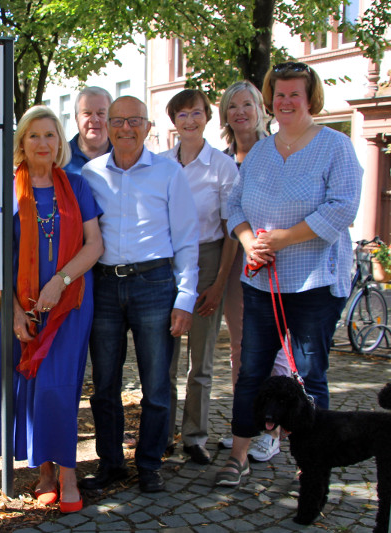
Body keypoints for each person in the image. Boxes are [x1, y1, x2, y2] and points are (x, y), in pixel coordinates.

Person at [216, 62, 362, 487]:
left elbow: (342, 208)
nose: (285, 102)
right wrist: (249, 243)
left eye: (294, 94)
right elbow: (235, 207)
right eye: (279, 95)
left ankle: (313, 461)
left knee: (310, 373)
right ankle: (238, 457)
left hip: (315, 282)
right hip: (260, 283)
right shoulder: (260, 151)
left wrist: (281, 239)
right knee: (251, 372)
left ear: (310, 98)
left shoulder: (335, 146)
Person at [80, 96, 199, 493]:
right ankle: (111, 463)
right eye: (118, 121)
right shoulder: (91, 174)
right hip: (105, 286)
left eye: (134, 121)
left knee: (156, 384)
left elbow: (186, 241)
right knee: (106, 385)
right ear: (108, 126)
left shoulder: (169, 173)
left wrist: (185, 299)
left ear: (148, 127)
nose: (125, 128)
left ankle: (149, 464)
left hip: (155, 285)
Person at [0, 105, 103, 513]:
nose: (43, 142)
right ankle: (43, 473)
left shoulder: (78, 185)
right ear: (22, 142)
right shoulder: (8, 188)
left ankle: (69, 472)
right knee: (31, 385)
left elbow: (94, 244)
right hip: (22, 306)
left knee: (60, 386)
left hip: (71, 302)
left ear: (61, 142)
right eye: (35, 135)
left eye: (51, 135)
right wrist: (14, 310)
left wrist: (60, 281)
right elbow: (0, 256)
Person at [159, 89, 238, 465]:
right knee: (165, 356)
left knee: (201, 360)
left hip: (208, 258)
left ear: (208, 117)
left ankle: (194, 436)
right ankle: (161, 435)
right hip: (168, 261)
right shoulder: (159, 164)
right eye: (181, 114)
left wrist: (219, 282)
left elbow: (231, 231)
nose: (189, 121)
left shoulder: (223, 167)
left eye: (196, 113)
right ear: (173, 121)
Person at [218, 80, 290, 462]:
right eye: (233, 106)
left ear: (261, 109)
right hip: (235, 264)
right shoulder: (224, 158)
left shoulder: (278, 150)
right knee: (241, 349)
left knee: (274, 347)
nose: (240, 112)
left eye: (247, 104)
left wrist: (269, 242)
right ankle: (244, 425)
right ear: (225, 114)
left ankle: (271, 430)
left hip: (273, 261)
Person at [63, 86, 113, 176]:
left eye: (101, 113)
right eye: (87, 113)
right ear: (76, 118)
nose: (94, 119)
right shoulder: (60, 157)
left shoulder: (122, 157)